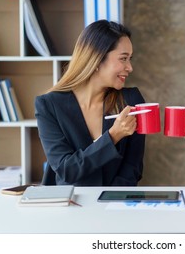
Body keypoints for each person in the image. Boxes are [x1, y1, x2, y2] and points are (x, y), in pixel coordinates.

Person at [35, 20, 145, 186]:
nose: (129, 67)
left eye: (130, 59)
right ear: (97, 58)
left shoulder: (131, 101)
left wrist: (109, 201)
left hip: (114, 204)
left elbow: (132, 167)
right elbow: (67, 170)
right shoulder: (49, 106)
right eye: (123, 59)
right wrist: (113, 136)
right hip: (70, 203)